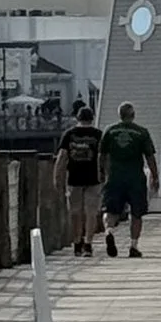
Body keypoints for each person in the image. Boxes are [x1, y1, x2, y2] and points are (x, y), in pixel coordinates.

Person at [99, 101, 158, 259]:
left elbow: (102, 155)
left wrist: (102, 172)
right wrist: (155, 176)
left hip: (115, 176)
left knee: (110, 210)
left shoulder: (110, 131)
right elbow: (150, 156)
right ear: (133, 115)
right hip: (135, 178)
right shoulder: (141, 132)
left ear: (120, 115)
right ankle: (133, 246)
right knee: (136, 213)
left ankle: (109, 231)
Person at [56, 102, 105, 259]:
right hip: (93, 178)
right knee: (91, 212)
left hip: (74, 178)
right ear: (92, 118)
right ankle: (88, 244)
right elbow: (104, 157)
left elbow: (62, 158)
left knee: (75, 212)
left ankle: (77, 242)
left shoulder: (69, 134)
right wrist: (106, 175)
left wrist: (57, 177)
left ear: (77, 118)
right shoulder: (98, 135)